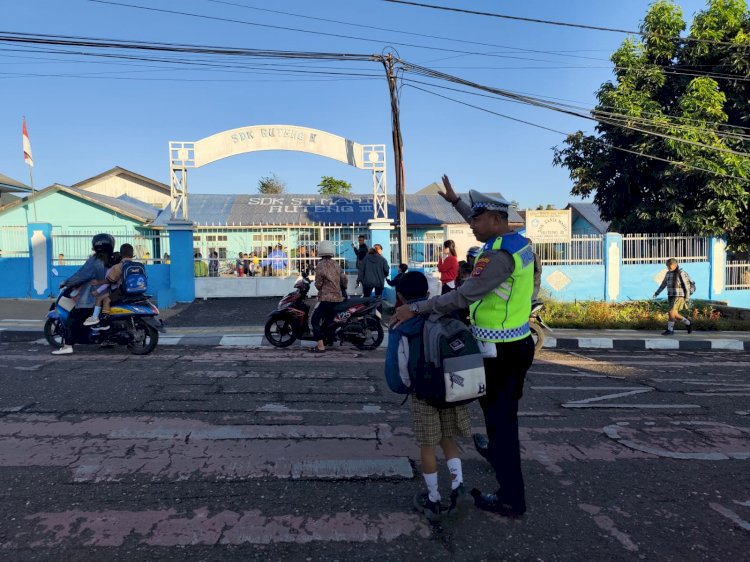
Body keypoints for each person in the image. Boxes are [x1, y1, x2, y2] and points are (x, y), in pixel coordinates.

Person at [390, 174, 535, 518]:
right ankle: (502, 471)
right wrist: (455, 201)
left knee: (502, 428)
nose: (471, 224)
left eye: (477, 219)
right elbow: (482, 217)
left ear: (497, 220)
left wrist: (417, 307)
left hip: (499, 353)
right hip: (516, 342)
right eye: (471, 217)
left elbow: (465, 294)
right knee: (502, 422)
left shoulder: (498, 257)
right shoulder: (518, 243)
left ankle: (511, 498)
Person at [386, 271, 471, 520]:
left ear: (400, 296)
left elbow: (397, 368)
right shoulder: (444, 313)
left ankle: (433, 499)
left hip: (423, 394)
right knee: (448, 439)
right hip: (451, 387)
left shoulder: (401, 325)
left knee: (427, 446)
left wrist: (404, 388)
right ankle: (458, 488)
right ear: (427, 293)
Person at [52, 233, 113, 355]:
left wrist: (67, 283)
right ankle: (106, 339)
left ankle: (68, 345)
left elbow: (82, 275)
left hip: (91, 297)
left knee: (73, 318)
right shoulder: (113, 258)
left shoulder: (95, 261)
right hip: (110, 294)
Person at [83, 244, 136, 329]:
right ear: (132, 253)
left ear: (121, 254)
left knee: (105, 299)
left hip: (120, 291)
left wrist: (97, 285)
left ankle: (103, 320)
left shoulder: (118, 266)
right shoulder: (136, 265)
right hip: (134, 291)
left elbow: (109, 281)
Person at [309, 240, 347, 354]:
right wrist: (342, 287)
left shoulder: (320, 265)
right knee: (329, 321)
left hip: (326, 299)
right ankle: (329, 339)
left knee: (314, 320)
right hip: (338, 298)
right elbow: (344, 279)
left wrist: (320, 288)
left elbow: (318, 283)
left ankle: (320, 346)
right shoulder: (336, 264)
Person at [83, 250, 123, 329]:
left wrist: (97, 291)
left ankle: (96, 318)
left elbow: (107, 283)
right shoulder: (121, 267)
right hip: (118, 290)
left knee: (99, 298)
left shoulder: (112, 269)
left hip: (115, 291)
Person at [653, 258, 693, 335]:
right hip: (671, 295)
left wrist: (687, 297)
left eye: (669, 265)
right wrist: (657, 293)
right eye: (667, 265)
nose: (668, 267)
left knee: (671, 312)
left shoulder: (681, 273)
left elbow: (686, 286)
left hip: (679, 296)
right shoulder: (668, 273)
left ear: (675, 265)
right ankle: (688, 323)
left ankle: (670, 330)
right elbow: (663, 284)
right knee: (674, 314)